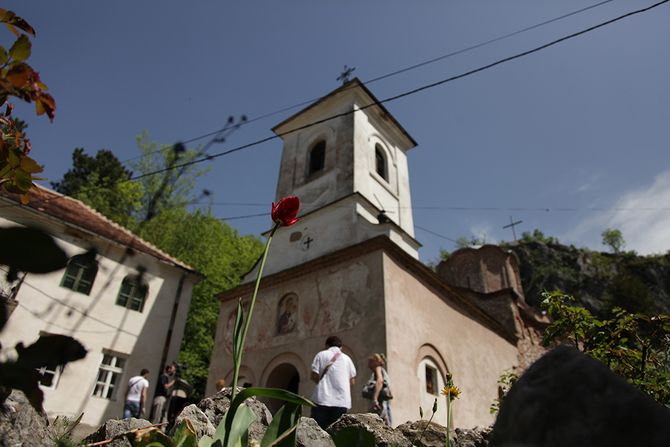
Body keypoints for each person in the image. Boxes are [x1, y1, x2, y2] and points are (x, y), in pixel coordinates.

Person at [310, 335, 356, 429]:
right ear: (341, 347)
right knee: (337, 433)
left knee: (319, 431)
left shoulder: (321, 355)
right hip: (342, 401)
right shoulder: (347, 359)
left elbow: (314, 375)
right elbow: (352, 381)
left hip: (322, 399)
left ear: (327, 345)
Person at [366, 353, 392, 425]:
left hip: (380, 406)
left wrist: (375, 399)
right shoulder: (382, 372)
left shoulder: (378, 369)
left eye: (371, 361)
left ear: (376, 362)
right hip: (383, 407)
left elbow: (380, 381)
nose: (368, 364)